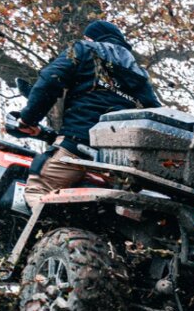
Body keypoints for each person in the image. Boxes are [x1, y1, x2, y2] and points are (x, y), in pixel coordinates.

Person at [18, 20, 161, 209]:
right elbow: (155, 113)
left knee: (39, 190)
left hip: (78, 144)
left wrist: (28, 119)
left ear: (91, 37)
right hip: (117, 159)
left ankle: (46, 234)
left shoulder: (84, 49)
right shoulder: (138, 73)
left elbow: (50, 81)